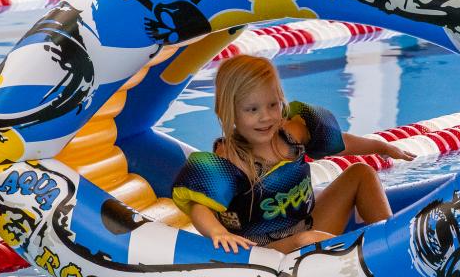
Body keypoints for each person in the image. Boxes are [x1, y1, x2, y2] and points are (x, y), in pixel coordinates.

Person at [172, 55, 415, 254]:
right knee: (308, 240)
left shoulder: (292, 132)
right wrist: (217, 231)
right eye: (252, 109)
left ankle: (390, 248)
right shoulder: (231, 159)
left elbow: (342, 143)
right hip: (265, 251)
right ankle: (362, 263)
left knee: (361, 173)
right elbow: (198, 206)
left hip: (307, 225)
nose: (266, 117)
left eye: (272, 105)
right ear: (228, 112)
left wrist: (380, 147)